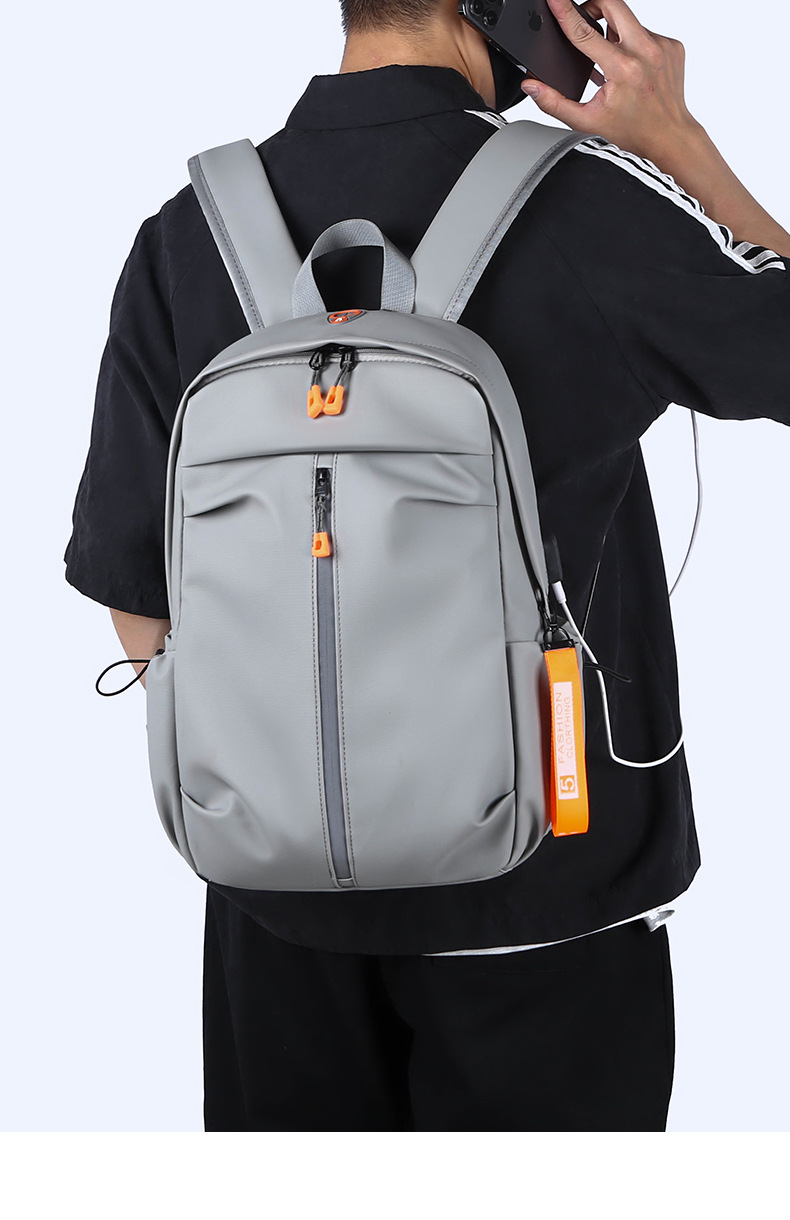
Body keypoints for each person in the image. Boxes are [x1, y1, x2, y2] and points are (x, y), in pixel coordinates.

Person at [63, 0, 790, 1132]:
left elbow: (136, 601)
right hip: (547, 897)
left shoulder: (188, 233)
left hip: (276, 917)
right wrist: (679, 142)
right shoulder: (588, 205)